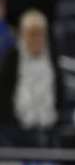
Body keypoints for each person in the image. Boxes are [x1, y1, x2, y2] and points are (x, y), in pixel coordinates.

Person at [0, 11, 62, 147]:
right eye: (31, 34)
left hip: (48, 128)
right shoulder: (13, 57)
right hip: (16, 130)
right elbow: (4, 93)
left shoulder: (52, 57)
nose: (36, 39)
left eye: (40, 34)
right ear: (23, 35)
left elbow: (60, 90)